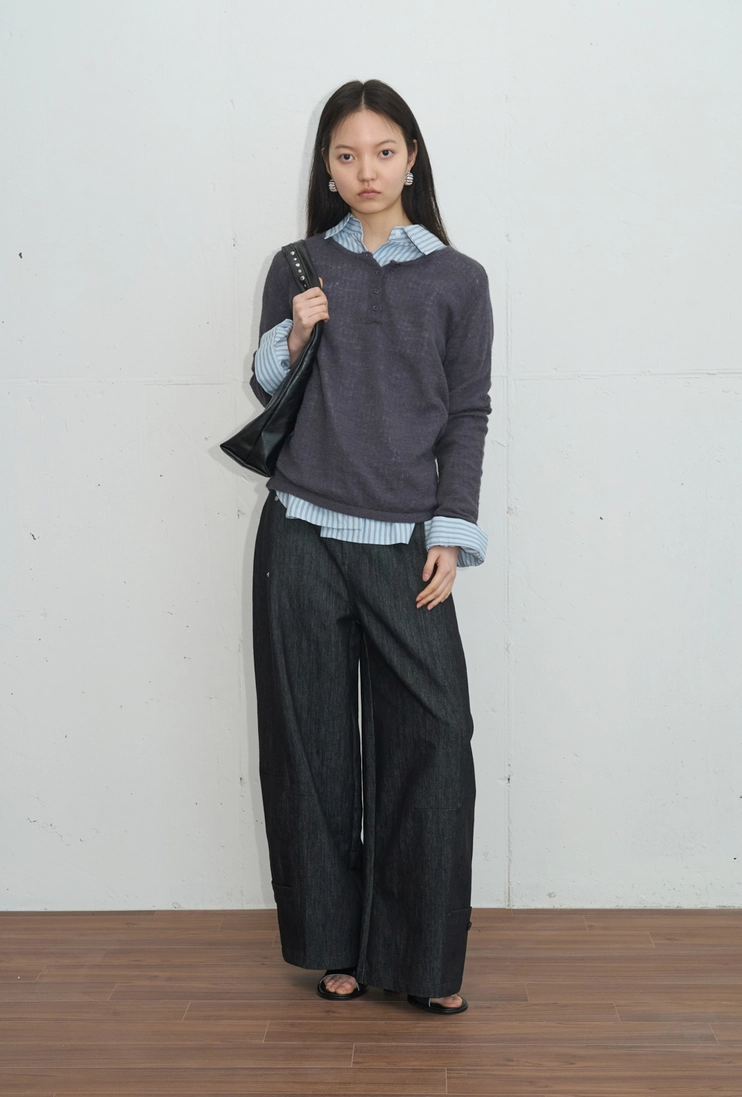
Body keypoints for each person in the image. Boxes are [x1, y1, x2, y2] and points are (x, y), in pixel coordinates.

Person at [250, 78, 493, 1015]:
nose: (366, 170)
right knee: (313, 751)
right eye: (346, 154)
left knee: (435, 741)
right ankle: (336, 947)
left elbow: (466, 413)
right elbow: (266, 381)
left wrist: (451, 533)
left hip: (406, 546)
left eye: (383, 151)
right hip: (302, 536)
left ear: (412, 157)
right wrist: (295, 328)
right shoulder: (300, 265)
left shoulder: (458, 279)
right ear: (326, 165)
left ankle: (422, 963)